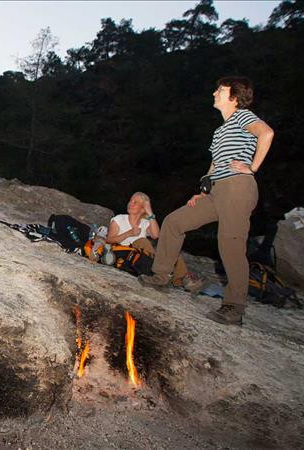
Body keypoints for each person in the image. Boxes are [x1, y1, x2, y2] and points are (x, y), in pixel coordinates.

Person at [139, 76, 274, 326]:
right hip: (216, 191)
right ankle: (161, 275)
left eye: (220, 90)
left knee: (230, 243)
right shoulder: (220, 130)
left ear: (234, 98)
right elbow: (215, 164)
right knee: (174, 221)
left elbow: (267, 133)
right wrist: (203, 190)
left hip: (237, 187)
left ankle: (234, 307)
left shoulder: (243, 116)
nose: (214, 93)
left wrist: (252, 167)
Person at [107, 192, 204, 292]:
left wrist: (149, 212)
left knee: (171, 249)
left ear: (142, 208)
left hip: (144, 256)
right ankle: (162, 271)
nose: (130, 203)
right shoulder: (119, 219)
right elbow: (109, 240)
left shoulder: (145, 223)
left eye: (135, 202)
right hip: (125, 255)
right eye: (131, 201)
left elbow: (156, 235)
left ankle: (182, 279)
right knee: (142, 241)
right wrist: (128, 233)